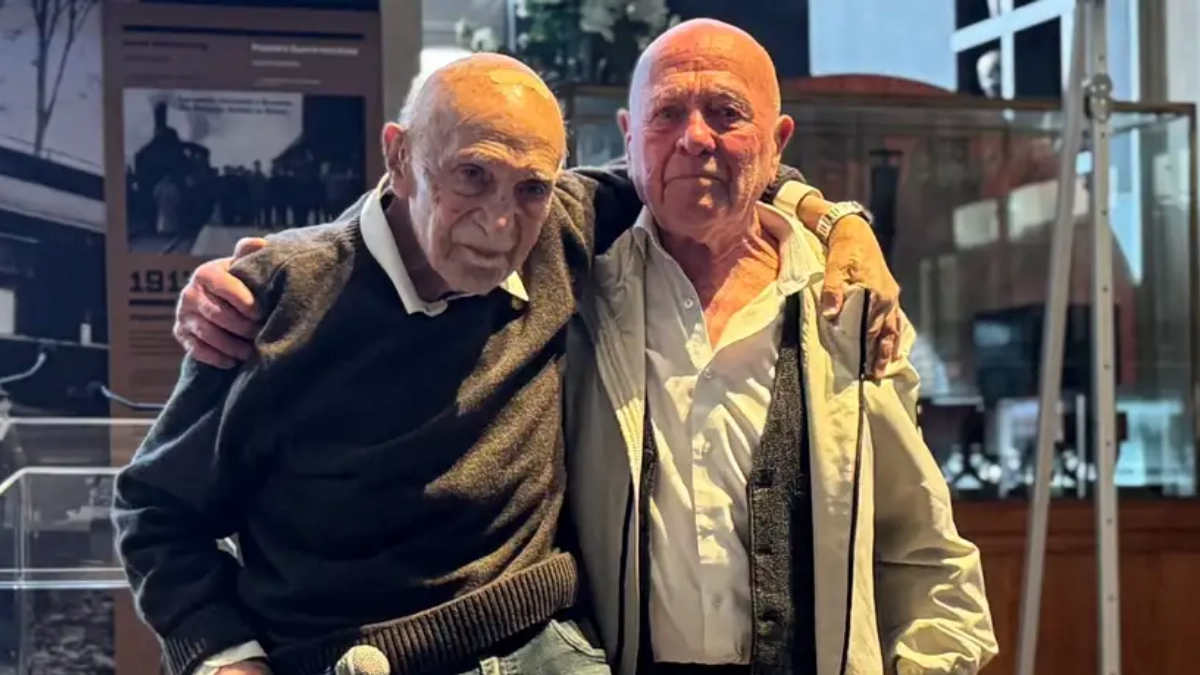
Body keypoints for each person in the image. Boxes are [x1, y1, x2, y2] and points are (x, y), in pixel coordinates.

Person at [117, 52, 899, 675]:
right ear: (400, 156)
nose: (499, 222)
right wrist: (225, 658)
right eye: (470, 176)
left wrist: (840, 223)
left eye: (529, 186)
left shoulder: (562, 223)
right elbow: (156, 514)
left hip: (545, 646)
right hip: (349, 656)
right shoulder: (277, 296)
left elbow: (715, 168)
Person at [563, 20, 998, 675]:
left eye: (726, 113)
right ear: (628, 137)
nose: (694, 137)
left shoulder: (848, 310)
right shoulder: (579, 301)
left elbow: (921, 547)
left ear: (776, 145)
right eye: (667, 112)